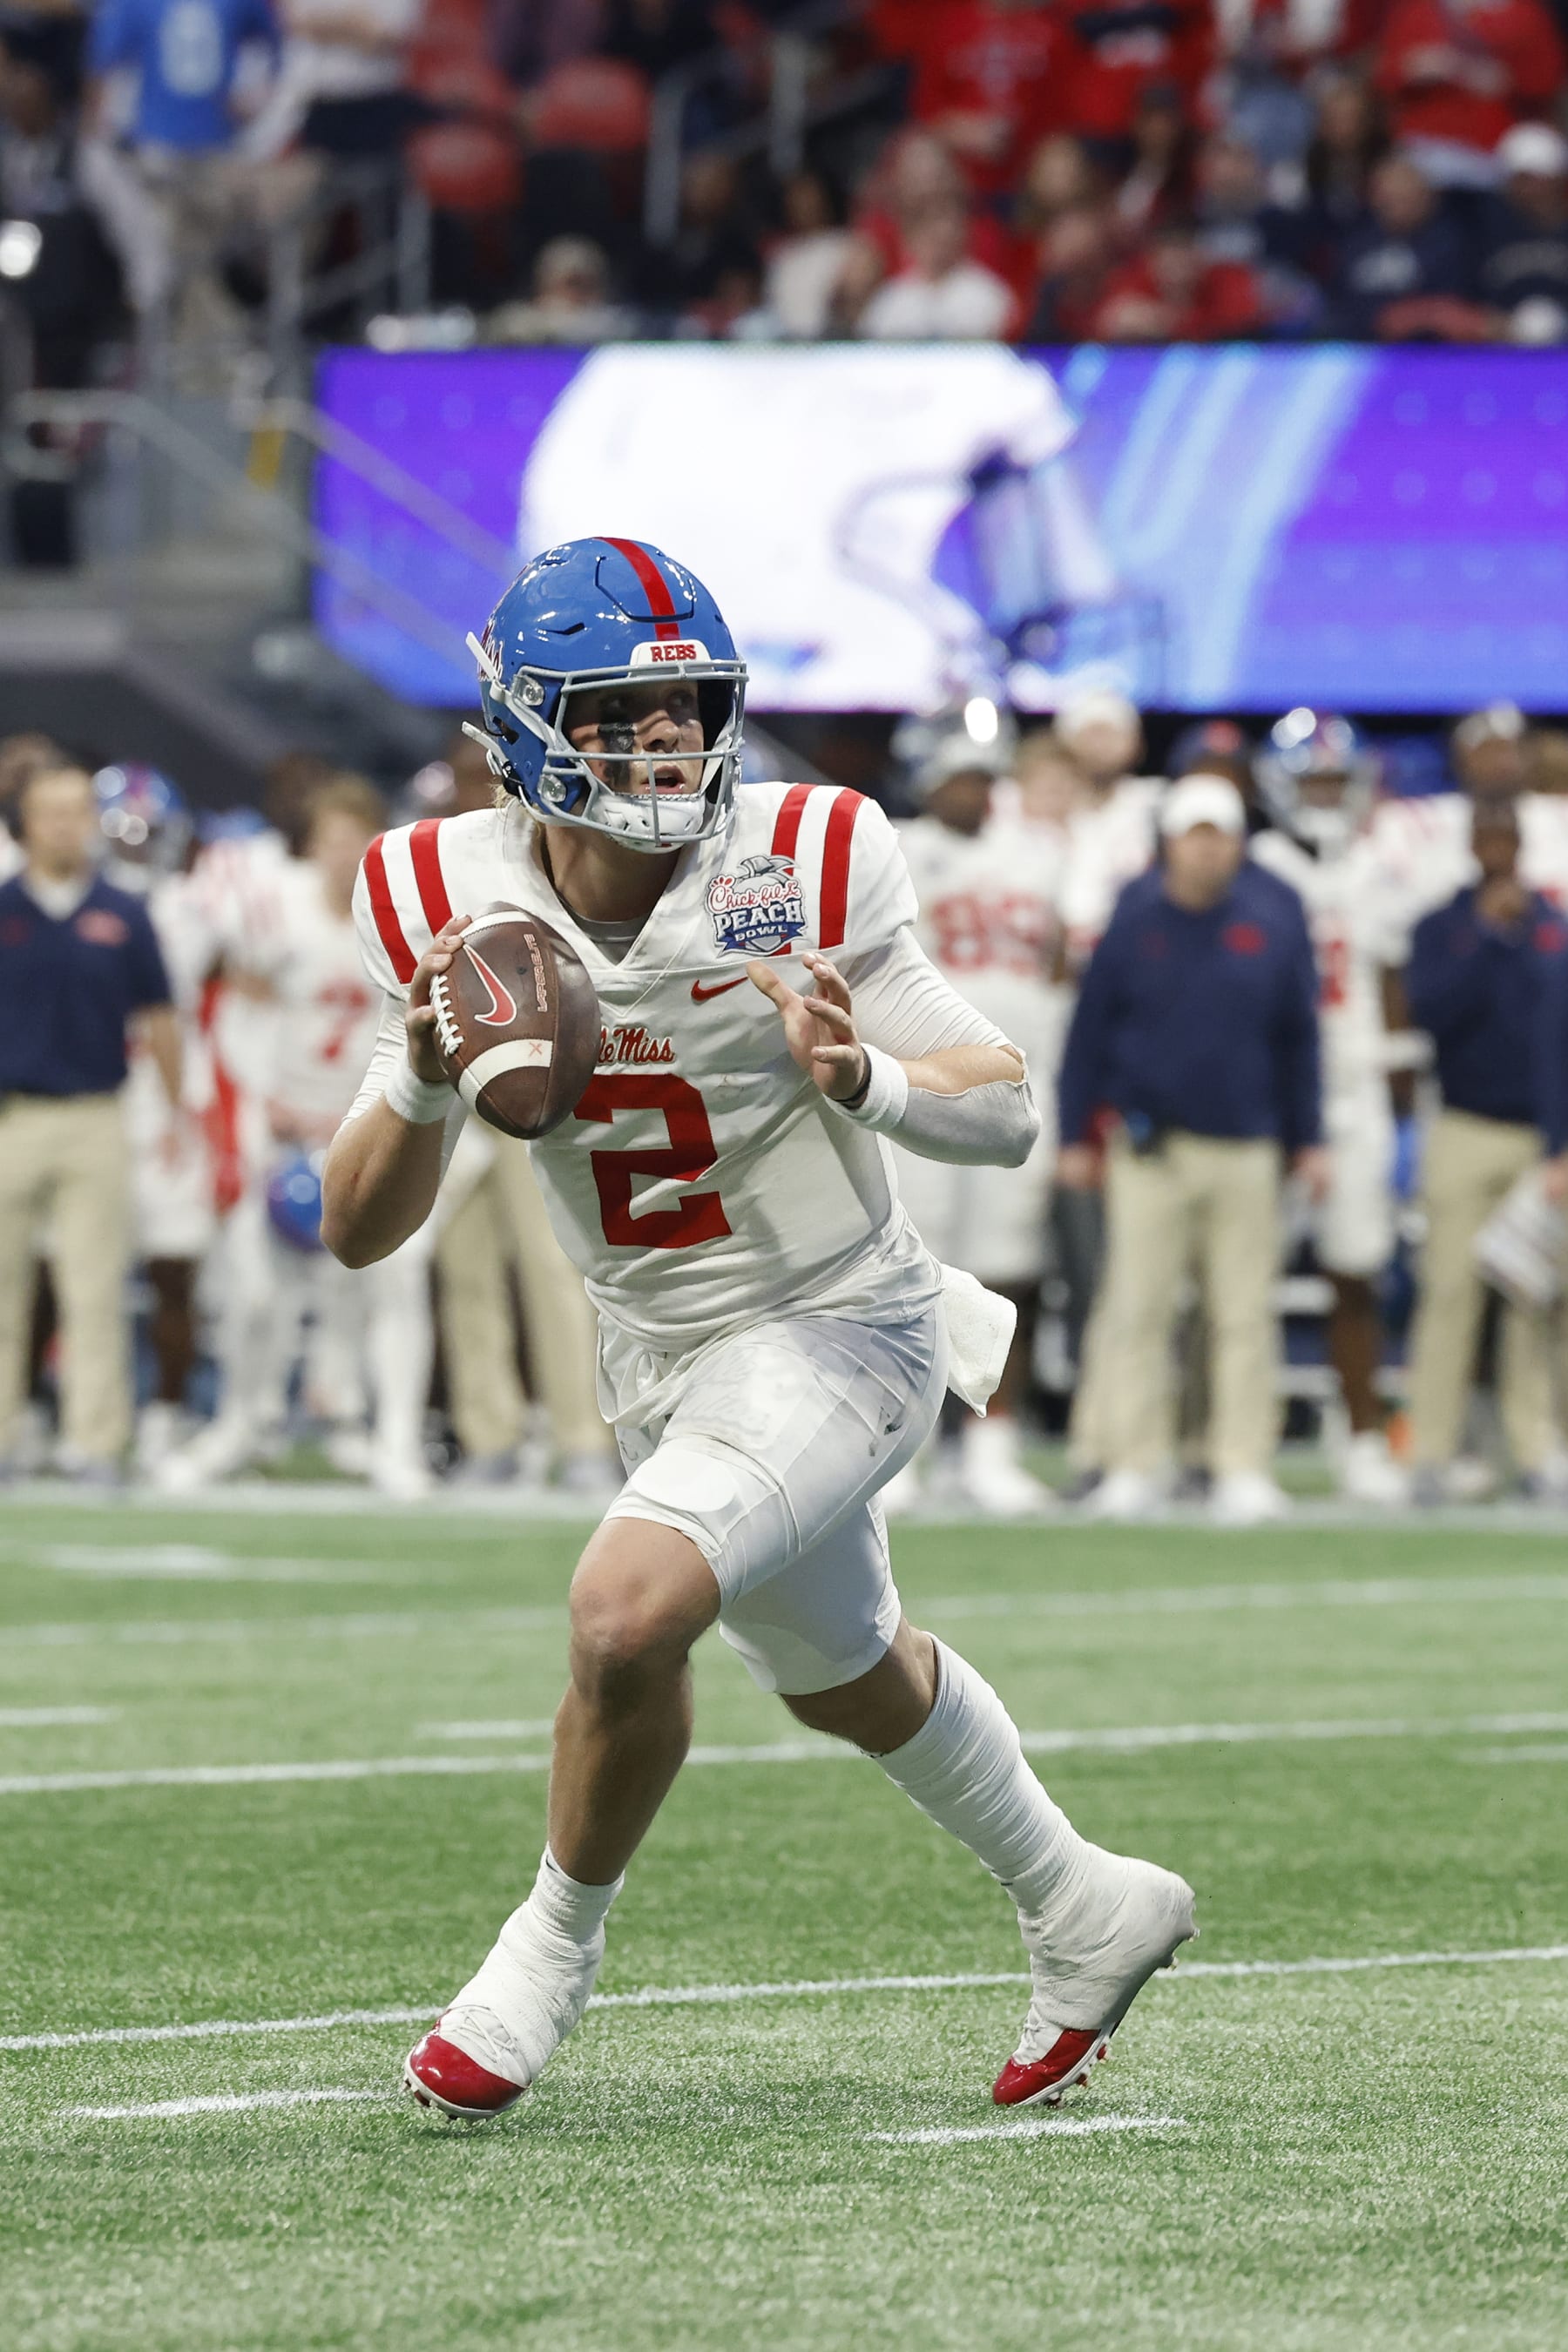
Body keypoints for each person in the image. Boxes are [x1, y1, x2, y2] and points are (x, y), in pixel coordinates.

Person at [322, 536, 1196, 2119]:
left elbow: (1003, 1105)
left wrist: (861, 1075)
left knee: (621, 1610)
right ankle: (1087, 1904)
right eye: (619, 720)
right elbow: (355, 1230)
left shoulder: (803, 852)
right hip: (659, 1353)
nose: (665, 752)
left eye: (687, 716)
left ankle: (544, 1959)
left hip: (842, 1320)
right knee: (842, 1674)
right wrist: (421, 1069)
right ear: (523, 726)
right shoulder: (430, 890)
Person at [1056, 774, 1326, 1526]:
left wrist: (1310, 1140)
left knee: (1242, 1312)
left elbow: (1299, 1037)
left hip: (1249, 1143)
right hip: (1152, 1146)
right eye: (1194, 834)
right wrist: (1078, 1133)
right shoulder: (1135, 915)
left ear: (1239, 841)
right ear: (1170, 840)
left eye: (1220, 834)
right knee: (1136, 1307)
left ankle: (1240, 1462)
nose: (1208, 849)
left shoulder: (1275, 915)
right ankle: (1133, 1462)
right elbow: (1090, 1035)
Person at [166, 774, 433, 1497]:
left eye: (357, 841)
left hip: (372, 1128)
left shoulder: (401, 926)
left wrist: (365, 1111)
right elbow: (230, 1018)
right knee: (255, 1294)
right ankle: (238, 1424)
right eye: (332, 841)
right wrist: (266, 1108)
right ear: (311, 848)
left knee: (397, 1286)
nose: (345, 856)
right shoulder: (271, 919)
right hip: (283, 1129)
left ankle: (398, 1439)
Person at [889, 730, 1065, 1516]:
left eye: (983, 777)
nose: (974, 792)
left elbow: (1060, 961)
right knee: (908, 1270)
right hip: (923, 1085)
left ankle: (992, 1445)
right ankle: (902, 1450)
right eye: (960, 776)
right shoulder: (889, 847)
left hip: (1020, 1083)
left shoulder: (1040, 852)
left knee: (1010, 1267)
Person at [0, 761, 179, 1480]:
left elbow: (161, 1017)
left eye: (78, 811)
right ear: (26, 823)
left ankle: (96, 1442)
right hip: (12, 1117)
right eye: (52, 812)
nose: (67, 825)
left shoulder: (124, 912)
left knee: (96, 1287)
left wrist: (178, 1109)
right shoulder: (4, 908)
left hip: (99, 1114)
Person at [1252, 714, 1407, 1503]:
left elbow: (1391, 983)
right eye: (1311, 781)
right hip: (1272, 1091)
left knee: (1359, 1267)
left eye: (1333, 783)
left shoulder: (1377, 869)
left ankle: (1365, 1436)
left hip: (1355, 1088)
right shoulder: (1260, 866)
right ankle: (1222, 1440)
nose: (1323, 797)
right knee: (1238, 1281)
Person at [1403, 801, 1568, 1497]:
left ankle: (1536, 1453)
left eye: (1508, 837)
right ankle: (1429, 1454)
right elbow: (1431, 1012)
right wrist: (1486, 938)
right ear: (1472, 845)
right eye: (1487, 837)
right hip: (1464, 1127)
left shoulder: (1553, 931)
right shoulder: (1443, 927)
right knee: (1449, 1292)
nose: (1497, 848)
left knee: (1535, 1300)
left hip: (1540, 1137)